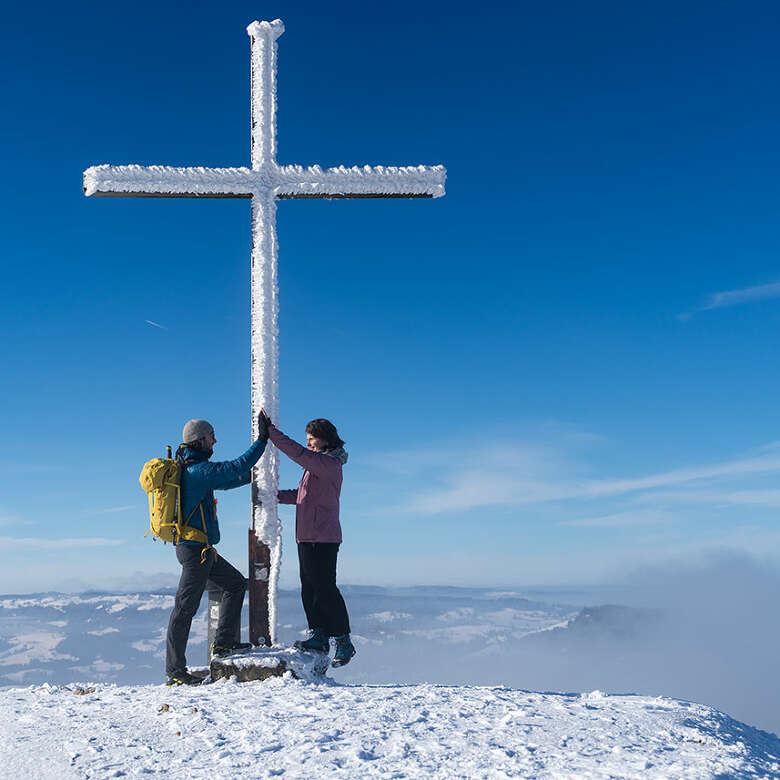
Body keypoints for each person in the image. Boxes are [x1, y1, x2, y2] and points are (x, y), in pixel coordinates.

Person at [165, 415, 269, 686]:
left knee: (235, 584)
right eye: (212, 436)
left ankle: (224, 644)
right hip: (195, 552)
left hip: (201, 550)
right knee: (184, 609)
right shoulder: (197, 471)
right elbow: (233, 467)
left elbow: (230, 476)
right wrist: (262, 441)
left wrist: (256, 476)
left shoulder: (196, 469)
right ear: (200, 440)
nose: (215, 441)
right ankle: (175, 672)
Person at [261, 409, 355, 667]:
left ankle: (343, 641)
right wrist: (273, 495)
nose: (308, 443)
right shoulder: (320, 465)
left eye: (312, 437)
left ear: (325, 438)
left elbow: (297, 454)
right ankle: (319, 635)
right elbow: (303, 496)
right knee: (310, 588)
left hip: (323, 538)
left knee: (324, 589)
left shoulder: (329, 464)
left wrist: (271, 433)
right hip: (307, 537)